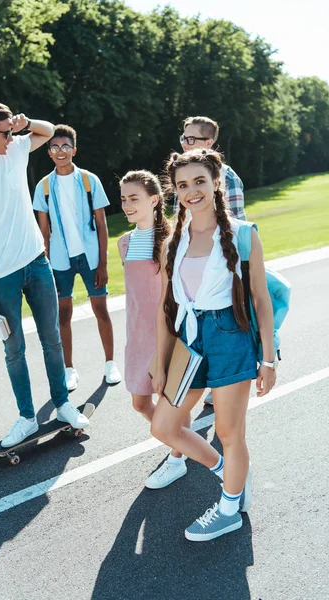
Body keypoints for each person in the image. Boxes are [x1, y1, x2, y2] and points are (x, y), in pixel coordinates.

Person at [0, 101, 89, 448]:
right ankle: (26, 418)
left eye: (12, 131)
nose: (13, 137)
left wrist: (24, 121)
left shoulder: (14, 150)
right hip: (0, 276)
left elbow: (49, 129)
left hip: (37, 263)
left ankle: (63, 405)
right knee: (14, 349)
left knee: (52, 340)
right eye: (6, 132)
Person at [150, 149, 276, 542]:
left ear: (216, 181)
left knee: (229, 429)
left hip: (229, 337)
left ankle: (228, 509)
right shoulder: (174, 240)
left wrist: (268, 360)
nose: (192, 191)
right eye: (183, 185)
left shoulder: (243, 233)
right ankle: (228, 471)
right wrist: (160, 359)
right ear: (176, 191)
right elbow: (165, 307)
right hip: (188, 339)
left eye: (199, 181)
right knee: (164, 426)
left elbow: (260, 300)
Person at [33, 124, 121, 391]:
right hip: (60, 261)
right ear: (49, 152)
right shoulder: (44, 186)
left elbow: (102, 224)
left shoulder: (88, 180)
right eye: (55, 147)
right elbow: (43, 233)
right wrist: (46, 266)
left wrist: (103, 262)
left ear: (74, 149)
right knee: (63, 315)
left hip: (91, 257)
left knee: (100, 310)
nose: (61, 151)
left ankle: (110, 364)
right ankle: (69, 369)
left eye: (65, 146)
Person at [118, 170, 187, 489]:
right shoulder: (123, 243)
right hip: (136, 335)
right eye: (123, 199)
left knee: (169, 401)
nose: (127, 204)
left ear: (154, 200)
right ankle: (182, 438)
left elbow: (169, 298)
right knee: (140, 403)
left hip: (167, 334)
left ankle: (177, 456)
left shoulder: (170, 241)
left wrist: (165, 347)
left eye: (134, 198)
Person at [181, 115, 246, 406]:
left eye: (191, 139)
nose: (185, 143)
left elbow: (236, 228)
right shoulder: (182, 174)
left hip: (221, 270)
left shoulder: (226, 177)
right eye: (183, 138)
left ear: (209, 143)